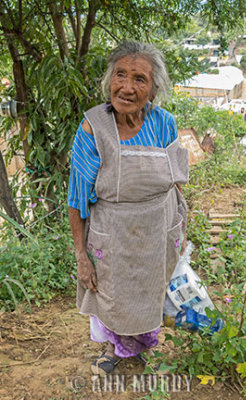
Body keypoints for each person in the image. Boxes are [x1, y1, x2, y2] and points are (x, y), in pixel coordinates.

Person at [68, 41, 189, 376]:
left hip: (157, 228)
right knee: (112, 292)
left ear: (153, 90)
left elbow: (176, 180)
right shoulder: (93, 127)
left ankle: (141, 346)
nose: (127, 86)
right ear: (109, 80)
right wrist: (80, 254)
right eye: (120, 74)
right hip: (113, 231)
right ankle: (113, 347)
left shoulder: (164, 123)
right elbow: (77, 196)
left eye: (140, 79)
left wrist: (179, 227)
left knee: (150, 288)